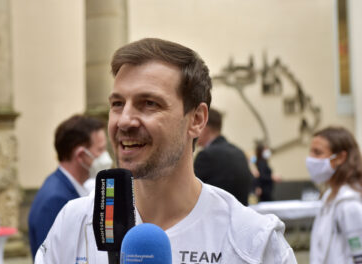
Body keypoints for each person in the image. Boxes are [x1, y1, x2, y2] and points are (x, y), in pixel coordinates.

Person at [35, 38, 296, 263]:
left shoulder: (253, 241)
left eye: (149, 103)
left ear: (196, 119)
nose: (124, 120)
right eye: (117, 103)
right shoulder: (75, 224)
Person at [28, 115, 112, 258]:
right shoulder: (55, 200)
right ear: (80, 155)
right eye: (100, 149)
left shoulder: (69, 187)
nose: (106, 156)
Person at [307, 127, 362, 264]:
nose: (310, 159)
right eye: (311, 152)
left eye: (317, 153)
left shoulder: (349, 204)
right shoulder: (329, 197)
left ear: (340, 158)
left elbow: (359, 256)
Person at [194, 108, 253, 205]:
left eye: (197, 125)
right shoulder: (239, 152)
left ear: (205, 129)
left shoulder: (206, 156)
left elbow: (192, 193)